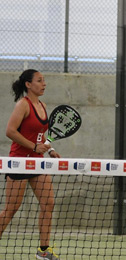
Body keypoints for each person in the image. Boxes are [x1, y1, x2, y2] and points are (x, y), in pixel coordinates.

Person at [0, 69, 61, 260]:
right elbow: (10, 131)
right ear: (28, 84)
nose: (44, 84)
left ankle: (43, 251)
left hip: (37, 164)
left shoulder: (42, 105)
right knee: (11, 209)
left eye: (44, 80)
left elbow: (44, 134)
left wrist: (49, 150)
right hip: (19, 163)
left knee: (48, 203)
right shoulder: (23, 105)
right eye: (39, 81)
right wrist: (34, 146)